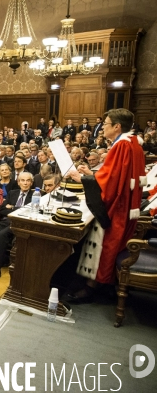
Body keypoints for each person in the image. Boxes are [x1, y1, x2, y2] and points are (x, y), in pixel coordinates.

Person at [65, 108, 145, 303]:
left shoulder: (121, 146)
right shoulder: (131, 142)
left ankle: (93, 287)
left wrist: (82, 177)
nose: (102, 129)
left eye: (106, 124)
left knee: (105, 246)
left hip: (117, 207)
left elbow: (111, 183)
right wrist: (93, 174)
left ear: (117, 127)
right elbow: (115, 177)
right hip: (125, 205)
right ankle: (97, 283)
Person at [0, 172, 34, 282]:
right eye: (22, 180)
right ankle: (4, 257)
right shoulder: (12, 193)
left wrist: (12, 207)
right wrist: (18, 209)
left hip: (21, 223)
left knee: (2, 235)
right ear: (18, 182)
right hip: (6, 220)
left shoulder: (36, 196)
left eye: (28, 180)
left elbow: (31, 212)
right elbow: (2, 210)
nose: (25, 183)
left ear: (31, 182)